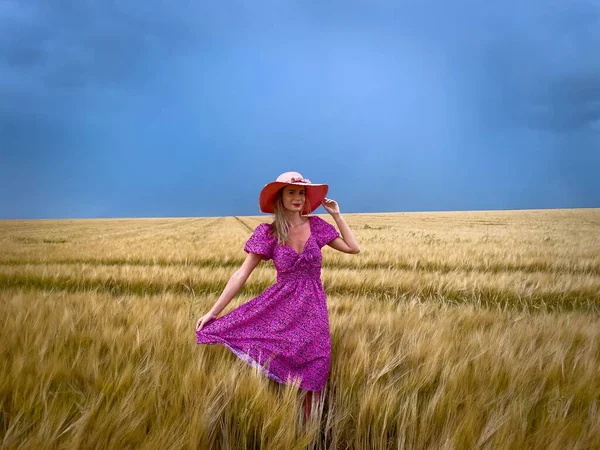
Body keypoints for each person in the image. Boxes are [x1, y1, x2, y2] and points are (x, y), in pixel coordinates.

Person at [195, 171, 360, 425]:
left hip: (313, 310)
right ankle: (285, 424)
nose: (297, 198)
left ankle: (309, 430)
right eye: (291, 192)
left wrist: (337, 215)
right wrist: (213, 312)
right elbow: (241, 274)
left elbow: (353, 248)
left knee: (316, 365)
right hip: (279, 309)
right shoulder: (268, 233)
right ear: (279, 197)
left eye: (301, 192)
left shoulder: (316, 226)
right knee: (282, 361)